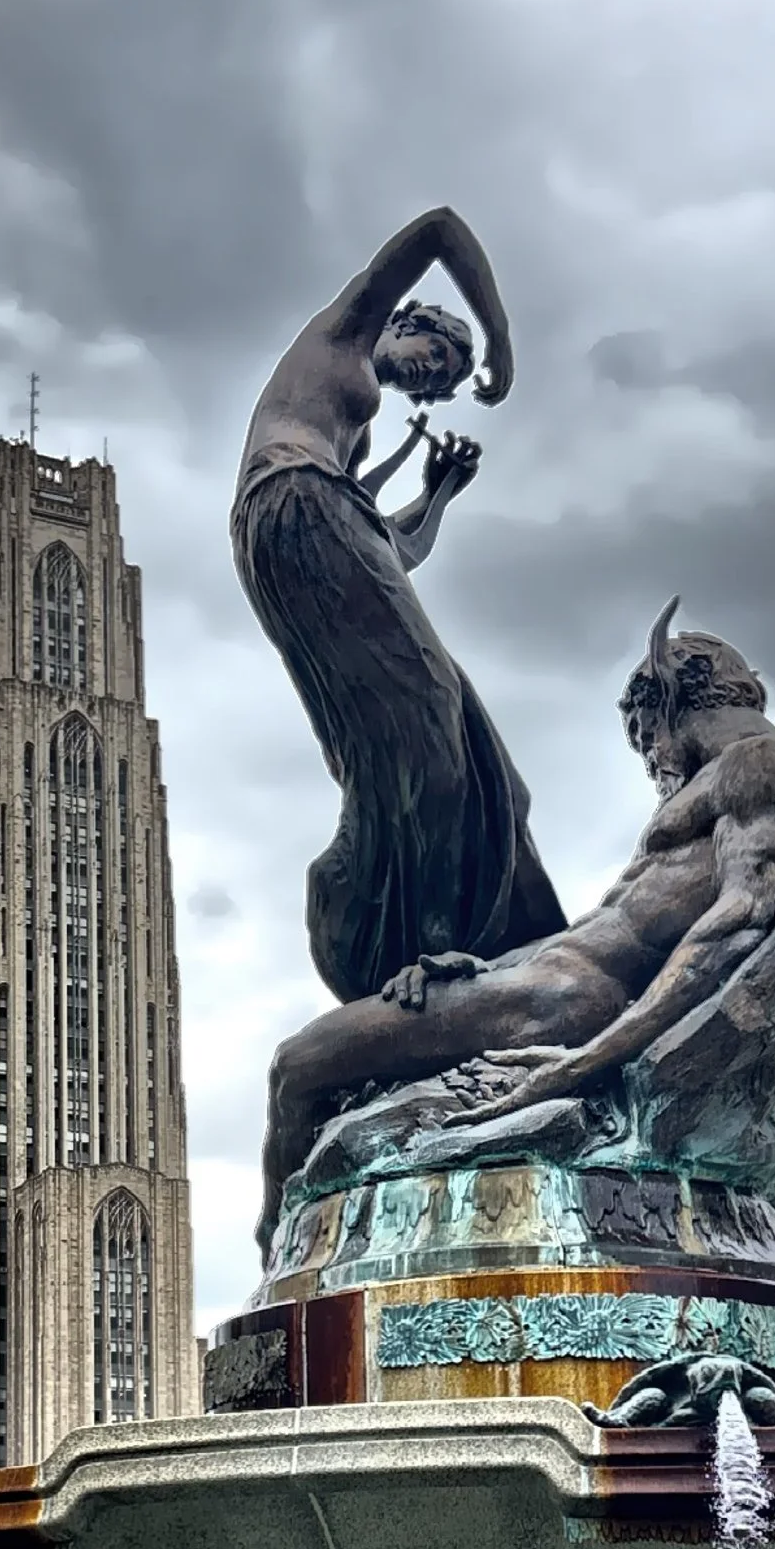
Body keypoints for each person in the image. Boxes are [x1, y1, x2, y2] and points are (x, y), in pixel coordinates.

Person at [260, 603, 775, 1235]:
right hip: (543, 982)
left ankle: (282, 1257)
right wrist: (481, 967)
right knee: (310, 1074)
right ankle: (297, 1259)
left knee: (298, 1069)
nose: (648, 757)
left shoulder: (761, 767)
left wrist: (581, 1064)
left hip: (561, 1004)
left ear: (667, 696)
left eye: (644, 736)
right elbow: (610, 929)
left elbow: (732, 932)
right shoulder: (730, 778)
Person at [232, 208, 564, 1008]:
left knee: (462, 748)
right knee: (430, 704)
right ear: (407, 320)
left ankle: (390, 915)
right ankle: (433, 946)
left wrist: (439, 494)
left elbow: (389, 555)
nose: (432, 378)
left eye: (442, 381)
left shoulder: (351, 446)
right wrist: (500, 339)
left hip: (302, 522)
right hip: (293, 497)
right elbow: (441, 229)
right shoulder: (343, 334)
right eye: (436, 355)